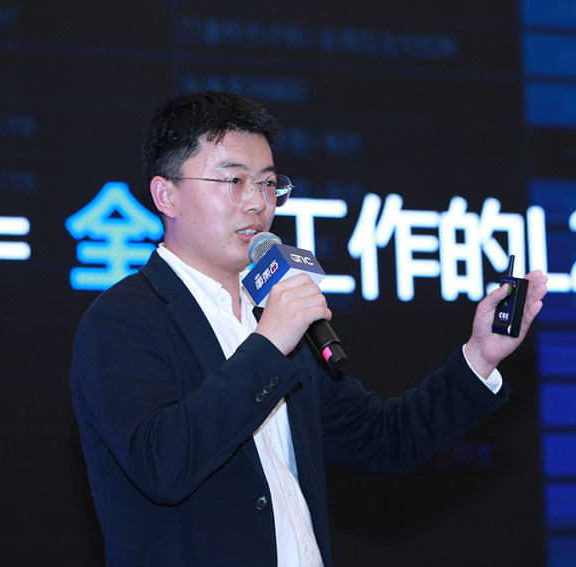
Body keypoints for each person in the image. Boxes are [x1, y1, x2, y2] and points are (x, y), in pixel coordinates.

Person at [70, 90, 548, 567]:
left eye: (267, 183)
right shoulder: (123, 320)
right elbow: (162, 464)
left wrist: (479, 356)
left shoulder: (276, 318)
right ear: (166, 195)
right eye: (234, 181)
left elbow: (385, 439)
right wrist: (269, 344)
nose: (257, 203)